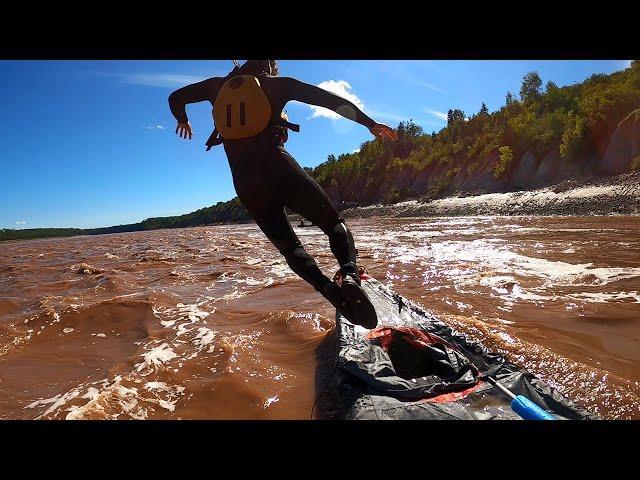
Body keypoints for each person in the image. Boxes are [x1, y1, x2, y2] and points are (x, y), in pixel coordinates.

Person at [168, 60, 397, 328]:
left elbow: (175, 97)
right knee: (334, 224)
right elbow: (328, 100)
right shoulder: (277, 85)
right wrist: (369, 124)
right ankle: (348, 275)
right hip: (280, 170)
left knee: (291, 248)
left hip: (245, 183)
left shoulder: (215, 88)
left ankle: (328, 290)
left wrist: (182, 119)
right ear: (269, 63)